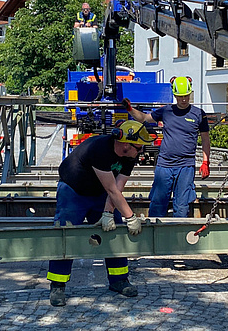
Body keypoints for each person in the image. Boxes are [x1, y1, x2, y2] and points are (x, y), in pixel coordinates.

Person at [47, 120, 151, 307]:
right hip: (73, 191)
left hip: (100, 192)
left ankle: (119, 280)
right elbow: (112, 190)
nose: (141, 151)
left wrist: (108, 213)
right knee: (65, 234)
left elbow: (118, 187)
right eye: (139, 147)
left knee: (114, 233)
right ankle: (58, 285)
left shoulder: (130, 155)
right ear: (126, 144)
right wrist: (131, 217)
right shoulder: (100, 149)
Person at [122, 76, 211, 218]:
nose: (183, 99)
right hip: (165, 164)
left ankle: (179, 236)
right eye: (180, 96)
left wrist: (206, 162)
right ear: (174, 95)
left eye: (186, 96)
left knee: (182, 206)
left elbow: (206, 140)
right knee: (158, 202)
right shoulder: (166, 111)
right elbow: (145, 118)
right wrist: (130, 110)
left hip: (185, 166)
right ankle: (154, 234)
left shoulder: (198, 114)